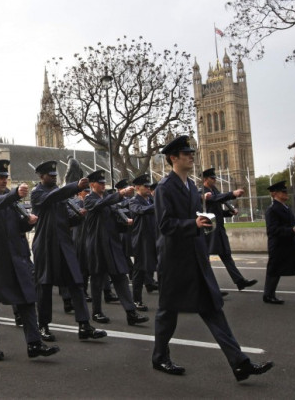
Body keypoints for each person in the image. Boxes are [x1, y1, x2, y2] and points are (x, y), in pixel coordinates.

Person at [153, 135, 273, 381]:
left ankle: (240, 363)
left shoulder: (191, 186)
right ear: (173, 158)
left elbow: (192, 217)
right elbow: (165, 225)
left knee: (213, 309)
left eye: (191, 153)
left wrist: (202, 222)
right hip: (175, 261)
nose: (191, 156)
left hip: (196, 256)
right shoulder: (165, 187)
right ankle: (159, 357)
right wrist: (192, 224)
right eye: (186, 153)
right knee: (168, 312)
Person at [0, 159, 59, 360]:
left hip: (15, 255)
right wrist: (14, 194)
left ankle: (34, 343)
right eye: (0, 177)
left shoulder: (9, 199)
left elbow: (16, 226)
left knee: (27, 299)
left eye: (6, 177)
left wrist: (28, 223)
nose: (5, 181)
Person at [31, 160, 107, 342]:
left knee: (76, 282)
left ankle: (84, 325)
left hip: (64, 243)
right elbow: (52, 199)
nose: (54, 178)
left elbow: (67, 219)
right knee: (45, 286)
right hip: (46, 244)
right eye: (50, 176)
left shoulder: (60, 194)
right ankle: (43, 325)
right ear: (41, 176)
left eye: (56, 175)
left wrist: (79, 217)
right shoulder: (38, 193)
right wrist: (74, 186)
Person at [83, 169, 148, 326]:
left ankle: (131, 312)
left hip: (112, 243)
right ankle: (97, 312)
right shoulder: (89, 200)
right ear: (92, 185)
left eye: (104, 182)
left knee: (121, 277)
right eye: (100, 183)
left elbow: (114, 213)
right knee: (98, 280)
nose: (103, 185)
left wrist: (124, 222)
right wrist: (121, 194)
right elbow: (102, 205)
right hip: (98, 245)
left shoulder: (106, 198)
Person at [201, 168, 257, 292]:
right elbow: (214, 199)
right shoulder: (203, 191)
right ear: (205, 179)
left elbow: (217, 210)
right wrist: (232, 194)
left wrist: (228, 212)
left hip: (219, 228)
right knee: (205, 259)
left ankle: (239, 281)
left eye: (215, 178)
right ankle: (209, 288)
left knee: (226, 255)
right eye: (212, 178)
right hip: (209, 230)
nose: (215, 180)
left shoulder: (214, 190)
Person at [128, 174, 158, 310]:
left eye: (148, 186)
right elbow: (140, 211)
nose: (148, 188)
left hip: (154, 238)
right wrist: (157, 206)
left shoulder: (150, 200)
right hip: (141, 240)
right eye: (145, 186)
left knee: (162, 268)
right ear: (137, 188)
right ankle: (136, 300)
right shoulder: (134, 201)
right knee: (139, 270)